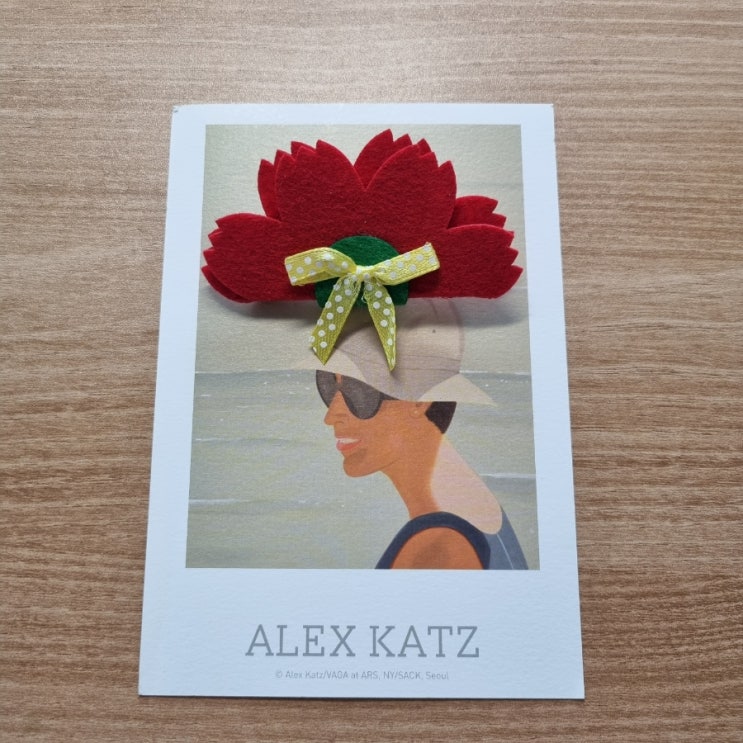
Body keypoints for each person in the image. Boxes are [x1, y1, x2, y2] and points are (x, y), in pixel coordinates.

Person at [314, 299, 528, 570]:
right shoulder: (476, 509)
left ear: (418, 399)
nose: (331, 416)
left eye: (358, 390)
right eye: (328, 385)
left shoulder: (437, 545)